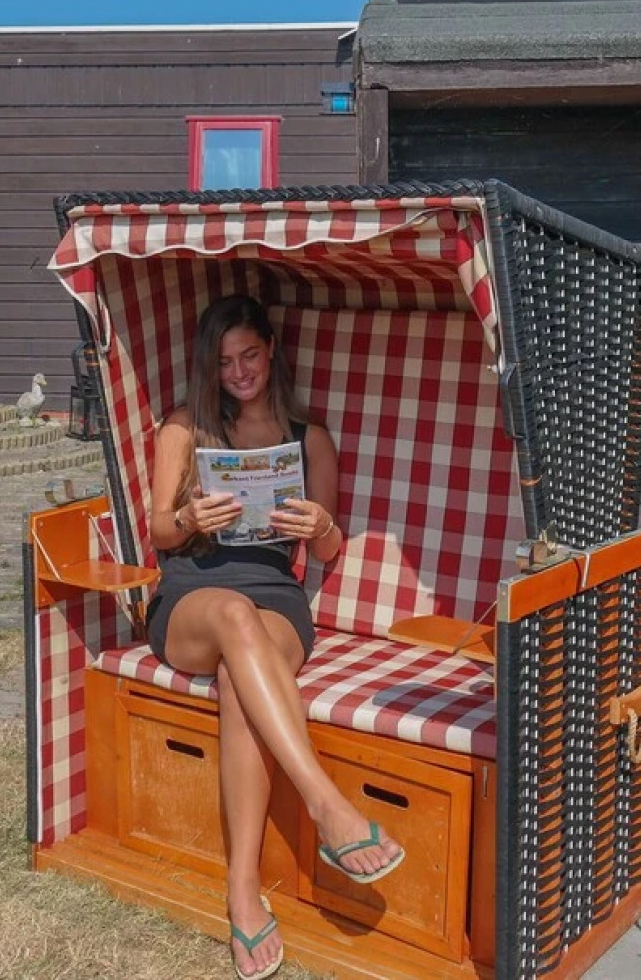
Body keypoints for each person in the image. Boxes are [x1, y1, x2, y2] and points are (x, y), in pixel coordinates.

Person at [147, 294, 405, 980]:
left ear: (270, 350)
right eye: (224, 361)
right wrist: (187, 512)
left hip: (277, 600)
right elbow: (157, 533)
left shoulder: (306, 435)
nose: (238, 372)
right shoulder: (184, 427)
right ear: (210, 365)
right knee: (231, 618)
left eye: (249, 355)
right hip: (193, 597)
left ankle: (241, 893)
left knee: (242, 676)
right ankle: (326, 807)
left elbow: (328, 549)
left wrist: (314, 526)